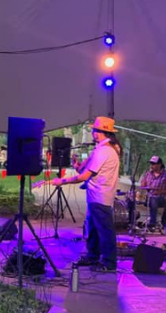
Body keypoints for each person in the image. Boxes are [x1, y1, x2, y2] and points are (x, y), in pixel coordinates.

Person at [51, 116, 121, 272]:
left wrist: (62, 181)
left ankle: (109, 263)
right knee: (94, 228)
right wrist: (77, 166)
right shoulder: (103, 149)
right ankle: (93, 257)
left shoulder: (104, 151)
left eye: (94, 130)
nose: (92, 133)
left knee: (104, 230)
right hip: (97, 196)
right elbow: (85, 171)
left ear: (99, 133)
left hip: (100, 196)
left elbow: (84, 177)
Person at [139, 155, 166, 230]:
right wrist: (144, 181)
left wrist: (160, 192)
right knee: (131, 199)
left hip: (160, 198)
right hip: (148, 196)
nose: (151, 166)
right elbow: (143, 185)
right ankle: (131, 222)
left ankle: (152, 224)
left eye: (153, 164)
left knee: (153, 200)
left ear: (159, 165)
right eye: (151, 164)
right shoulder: (148, 173)